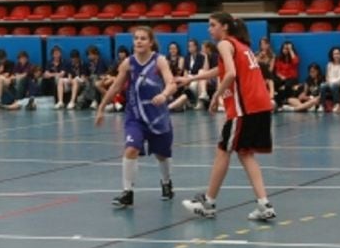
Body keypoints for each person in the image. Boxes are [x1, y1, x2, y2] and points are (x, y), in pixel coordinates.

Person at [179, 13, 277, 221]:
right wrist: (193, 77)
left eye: (212, 25)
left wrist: (215, 95)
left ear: (224, 27)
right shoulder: (240, 45)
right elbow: (221, 69)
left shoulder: (225, 43)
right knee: (245, 153)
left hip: (245, 107)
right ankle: (264, 204)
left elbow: (230, 73)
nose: (209, 29)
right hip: (260, 105)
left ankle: (209, 202)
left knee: (223, 150)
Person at [96, 27, 177, 209]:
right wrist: (101, 108)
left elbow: (171, 83)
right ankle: (127, 193)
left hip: (157, 117)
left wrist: (164, 95)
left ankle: (166, 182)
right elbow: (115, 87)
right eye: (136, 38)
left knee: (162, 155)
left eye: (143, 38)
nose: (138, 41)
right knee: (131, 149)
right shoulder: (128, 63)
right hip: (135, 116)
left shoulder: (159, 61)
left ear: (150, 42)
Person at [320, 47, 340, 111]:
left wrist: (339, 83)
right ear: (332, 55)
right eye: (334, 54)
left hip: (339, 83)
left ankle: (337, 104)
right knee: (322, 85)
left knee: (334, 85)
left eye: (338, 53)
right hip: (329, 82)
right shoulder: (329, 64)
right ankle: (322, 105)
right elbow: (327, 76)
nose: (336, 55)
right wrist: (328, 82)